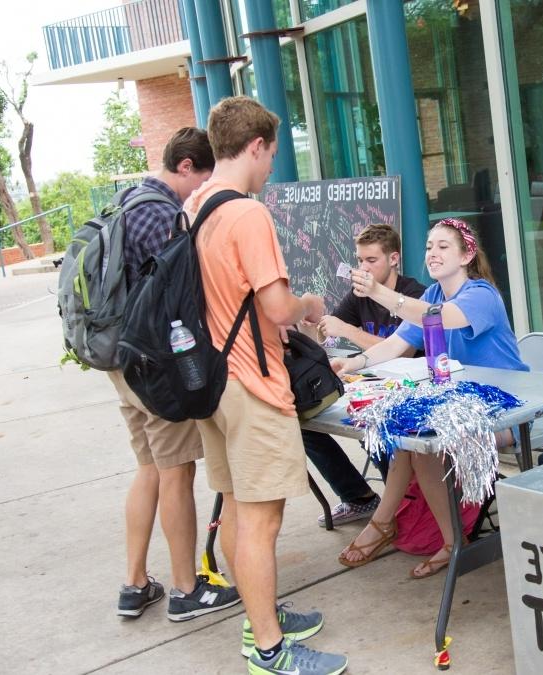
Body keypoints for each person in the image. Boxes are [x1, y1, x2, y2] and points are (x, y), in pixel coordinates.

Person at [187, 96, 347, 675]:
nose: (271, 167)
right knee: (262, 520)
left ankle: (260, 621)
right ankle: (272, 650)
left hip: (212, 380)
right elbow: (275, 305)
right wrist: (308, 303)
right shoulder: (246, 213)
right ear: (254, 146)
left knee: (235, 504)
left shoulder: (197, 203)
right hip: (252, 382)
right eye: (272, 154)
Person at [330, 217, 528, 579]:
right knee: (407, 438)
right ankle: (404, 528)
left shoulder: (480, 294)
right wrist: (351, 362)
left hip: (509, 409)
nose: (432, 254)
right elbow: (396, 344)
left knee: (423, 445)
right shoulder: (433, 294)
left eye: (443, 246)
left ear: (467, 255)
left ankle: (439, 540)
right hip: (459, 404)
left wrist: (378, 292)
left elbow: (438, 319)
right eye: (428, 247)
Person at [108, 127, 242, 621]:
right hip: (153, 364)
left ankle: (135, 581)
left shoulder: (128, 200)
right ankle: (187, 589)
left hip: (121, 360)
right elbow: (184, 294)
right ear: (186, 166)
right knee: (176, 471)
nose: (205, 188)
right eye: (204, 177)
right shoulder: (162, 214)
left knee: (148, 468)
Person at [303, 223, 426, 528]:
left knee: (369, 423)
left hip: (413, 389)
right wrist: (309, 322)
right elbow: (325, 335)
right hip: (371, 385)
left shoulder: (413, 294)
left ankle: (405, 503)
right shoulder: (359, 295)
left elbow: (402, 350)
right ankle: (358, 497)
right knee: (304, 422)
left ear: (394, 259)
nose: (363, 268)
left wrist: (346, 331)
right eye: (359, 261)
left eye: (372, 260)